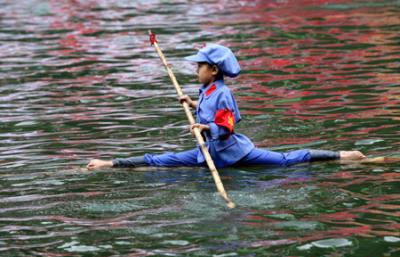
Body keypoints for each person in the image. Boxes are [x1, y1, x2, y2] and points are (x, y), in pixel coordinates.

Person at [87, 44, 365, 170]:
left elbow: (226, 125)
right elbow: (210, 111)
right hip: (208, 151)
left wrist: (205, 126)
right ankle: (110, 163)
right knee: (161, 160)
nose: (196, 70)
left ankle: (341, 156)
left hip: (233, 153)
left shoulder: (222, 94)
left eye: (199, 66)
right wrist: (193, 103)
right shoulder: (208, 91)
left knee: (284, 161)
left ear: (214, 69)